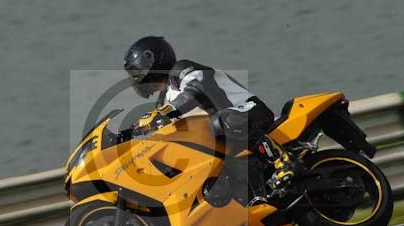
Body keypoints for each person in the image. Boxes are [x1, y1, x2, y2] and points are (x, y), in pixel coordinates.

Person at [123, 35, 295, 200]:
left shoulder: (181, 71)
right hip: (224, 138)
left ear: (150, 61)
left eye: (135, 72)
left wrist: (163, 114)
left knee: (222, 121)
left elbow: (195, 92)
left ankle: (282, 161)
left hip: (247, 113)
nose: (135, 78)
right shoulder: (162, 101)